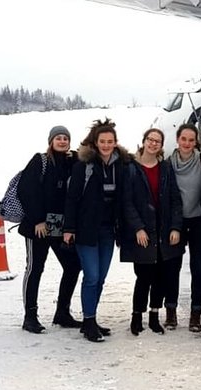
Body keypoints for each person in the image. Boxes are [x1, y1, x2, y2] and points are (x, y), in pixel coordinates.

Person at [64, 119, 131, 343]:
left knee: (100, 277)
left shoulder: (120, 165)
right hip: (86, 230)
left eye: (110, 141)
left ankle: (90, 319)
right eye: (102, 141)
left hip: (108, 230)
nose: (106, 145)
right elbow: (72, 199)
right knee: (91, 276)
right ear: (95, 142)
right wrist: (69, 228)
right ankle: (89, 321)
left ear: (115, 143)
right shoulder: (84, 166)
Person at [16, 125, 82, 334]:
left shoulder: (73, 161)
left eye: (65, 138)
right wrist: (37, 220)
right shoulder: (40, 160)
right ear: (51, 141)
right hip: (39, 227)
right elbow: (26, 190)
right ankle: (30, 316)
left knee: (73, 265)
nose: (62, 141)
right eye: (58, 138)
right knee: (35, 268)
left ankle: (62, 312)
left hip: (61, 227)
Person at [121, 129, 185, 336]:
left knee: (161, 275)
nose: (153, 144)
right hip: (143, 230)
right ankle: (137, 315)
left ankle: (154, 315)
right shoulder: (131, 168)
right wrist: (138, 228)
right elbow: (127, 202)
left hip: (163, 230)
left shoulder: (165, 168)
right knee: (143, 275)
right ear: (144, 141)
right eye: (150, 140)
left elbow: (176, 199)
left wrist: (176, 227)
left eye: (157, 141)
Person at [168, 124, 201, 332]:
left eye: (191, 140)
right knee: (172, 267)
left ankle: (196, 313)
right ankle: (171, 310)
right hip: (176, 223)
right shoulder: (168, 163)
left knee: (198, 267)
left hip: (199, 220)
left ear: (196, 141)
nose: (187, 143)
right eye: (184, 139)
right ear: (177, 140)